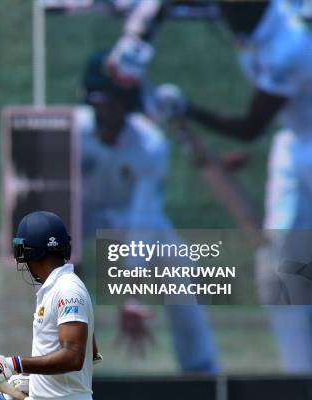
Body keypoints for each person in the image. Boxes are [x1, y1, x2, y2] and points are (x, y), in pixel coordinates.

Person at [158, 0, 312, 372]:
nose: (222, 12)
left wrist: (187, 109)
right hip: (294, 143)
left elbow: (250, 127)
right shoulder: (251, 18)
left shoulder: (289, 46)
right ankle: (305, 379)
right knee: (282, 267)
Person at [79, 52, 219, 373]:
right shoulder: (71, 131)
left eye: (114, 101)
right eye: (100, 100)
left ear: (129, 103)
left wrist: (131, 296)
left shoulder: (150, 144)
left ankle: (202, 371)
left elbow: (142, 223)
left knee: (181, 271)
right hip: (81, 220)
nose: (106, 109)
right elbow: (52, 199)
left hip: (131, 221)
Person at [0, 211, 98, 400]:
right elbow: (91, 351)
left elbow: (74, 356)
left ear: (32, 252)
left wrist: (14, 364)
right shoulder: (57, 287)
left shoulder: (67, 289)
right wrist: (37, 383)